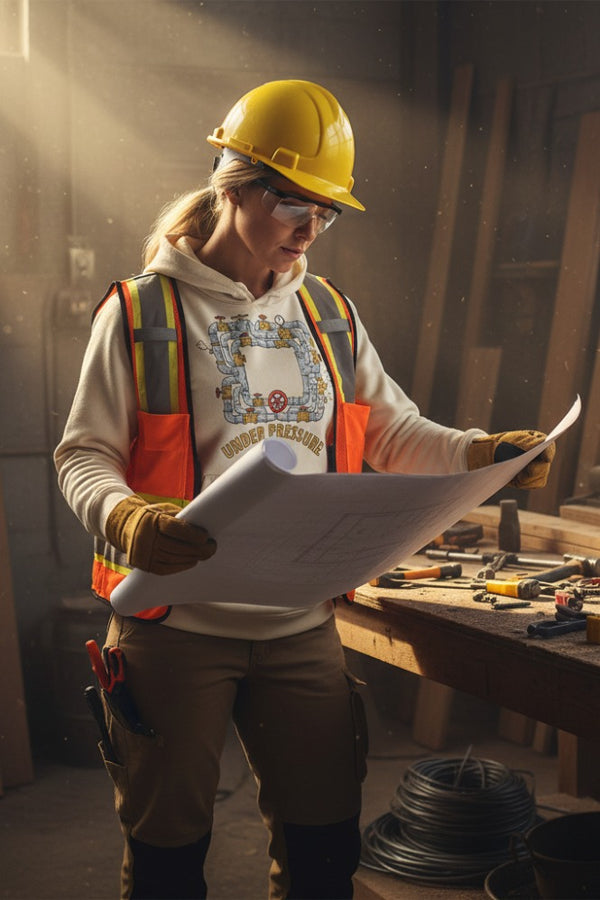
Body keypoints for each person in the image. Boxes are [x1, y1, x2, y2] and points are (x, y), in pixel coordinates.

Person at [54, 79, 555, 900]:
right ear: (234, 185)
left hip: (301, 628)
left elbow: (396, 432)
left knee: (325, 851)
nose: (310, 229)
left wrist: (479, 452)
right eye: (293, 204)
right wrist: (129, 519)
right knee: (167, 859)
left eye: (327, 212)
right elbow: (82, 456)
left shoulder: (326, 313)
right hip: (173, 627)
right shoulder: (143, 312)